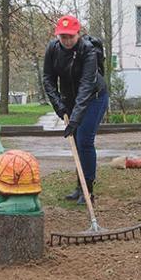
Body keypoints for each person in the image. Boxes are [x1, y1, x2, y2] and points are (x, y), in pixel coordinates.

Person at [43, 14, 109, 204]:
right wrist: (59, 105)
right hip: (72, 101)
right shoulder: (53, 49)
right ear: (57, 36)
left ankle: (88, 190)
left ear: (78, 34)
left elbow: (86, 86)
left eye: (71, 36)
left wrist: (74, 119)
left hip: (94, 97)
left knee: (84, 141)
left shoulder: (88, 51)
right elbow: (48, 79)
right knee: (77, 145)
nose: (67, 40)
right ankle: (79, 187)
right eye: (63, 36)